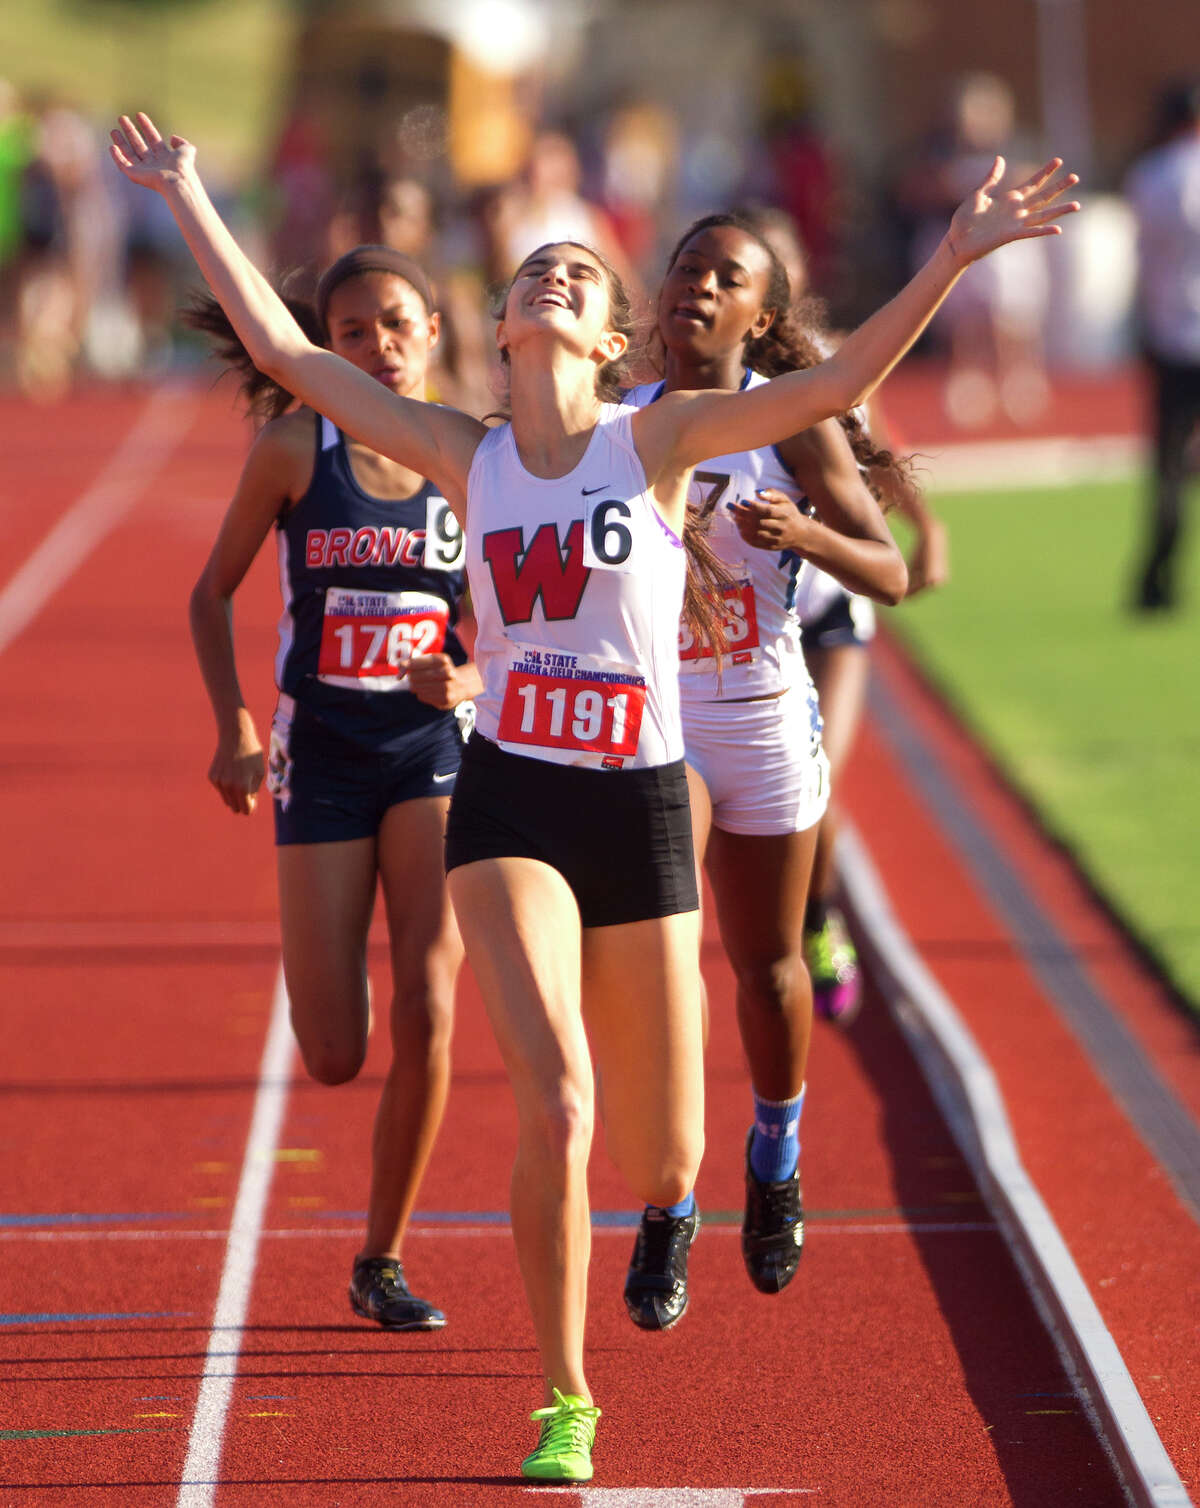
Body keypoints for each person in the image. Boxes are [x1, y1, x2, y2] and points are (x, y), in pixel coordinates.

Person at [111, 110, 1077, 1483]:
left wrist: (959, 256)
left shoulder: (664, 438)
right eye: (533, 276)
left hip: (640, 812)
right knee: (554, 1099)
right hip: (511, 805)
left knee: (663, 1153)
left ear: (609, 343)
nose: (553, 280)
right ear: (501, 329)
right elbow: (285, 352)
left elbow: (842, 375)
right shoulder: (468, 454)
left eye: (580, 278)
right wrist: (196, 191)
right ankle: (566, 1399)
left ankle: (676, 1205)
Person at [619, 212, 911, 1325]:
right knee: (663, 959)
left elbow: (887, 570)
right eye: (686, 268)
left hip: (764, 725)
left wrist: (804, 534)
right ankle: (667, 1194)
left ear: (763, 317)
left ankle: (777, 1154)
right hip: (661, 726)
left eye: (724, 277)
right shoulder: (622, 423)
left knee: (770, 970)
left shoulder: (795, 428)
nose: (695, 287)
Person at [186, 243, 481, 1333]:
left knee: (433, 999)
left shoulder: (473, 459)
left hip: (430, 748)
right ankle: (330, 978)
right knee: (334, 1047)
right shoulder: (293, 450)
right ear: (324, 347)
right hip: (324, 755)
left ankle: (382, 1256)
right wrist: (236, 720)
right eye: (353, 332)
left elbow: (528, 612)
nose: (380, 347)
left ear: (434, 332)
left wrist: (476, 671)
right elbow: (208, 597)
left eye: (398, 325)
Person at [1125, 78, 1200, 612]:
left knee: (1169, 467)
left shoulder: (1150, 176)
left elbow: (1145, 262)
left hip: (1172, 334)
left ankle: (1156, 583)